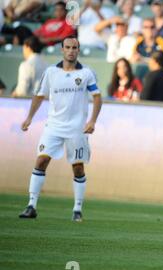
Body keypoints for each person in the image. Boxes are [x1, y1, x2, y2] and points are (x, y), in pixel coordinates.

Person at [19, 36, 103, 222]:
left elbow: (97, 97)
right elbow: (39, 95)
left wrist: (92, 121)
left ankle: (77, 209)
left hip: (76, 129)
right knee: (40, 161)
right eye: (68, 47)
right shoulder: (50, 72)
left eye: (74, 47)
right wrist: (29, 118)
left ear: (78, 50)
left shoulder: (87, 73)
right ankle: (31, 205)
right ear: (62, 50)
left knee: (78, 167)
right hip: (54, 126)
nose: (71, 50)